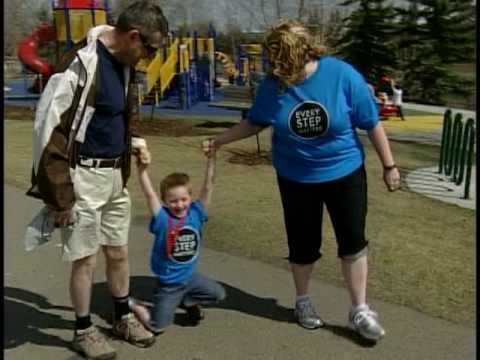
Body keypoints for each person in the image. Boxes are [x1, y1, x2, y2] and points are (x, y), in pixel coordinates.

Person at [203, 19, 401, 343]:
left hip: (344, 172)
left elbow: (371, 123)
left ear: (302, 54)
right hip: (295, 177)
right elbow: (255, 122)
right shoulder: (273, 85)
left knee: (352, 241)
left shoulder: (342, 75)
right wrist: (219, 140)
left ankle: (360, 309)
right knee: (303, 244)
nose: (276, 67)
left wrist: (389, 166)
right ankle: (303, 301)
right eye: (273, 60)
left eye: (281, 60)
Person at [27, 1, 169, 358]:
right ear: (133, 36)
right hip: (83, 176)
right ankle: (83, 329)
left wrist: (136, 140)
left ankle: (122, 316)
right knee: (85, 258)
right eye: (150, 49)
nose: (150, 58)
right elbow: (49, 131)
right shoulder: (80, 64)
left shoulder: (125, 64)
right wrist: (61, 196)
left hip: (114, 176)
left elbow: (126, 110)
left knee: (118, 252)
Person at [129, 140, 226, 334]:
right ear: (165, 201)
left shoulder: (196, 213)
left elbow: (208, 187)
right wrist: (142, 171)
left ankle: (188, 300)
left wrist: (211, 160)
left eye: (183, 199)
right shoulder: (163, 218)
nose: (179, 205)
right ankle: (134, 305)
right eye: (173, 201)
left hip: (190, 278)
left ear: (190, 199)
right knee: (158, 326)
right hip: (169, 285)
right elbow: (149, 196)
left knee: (218, 295)